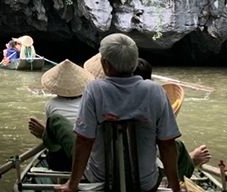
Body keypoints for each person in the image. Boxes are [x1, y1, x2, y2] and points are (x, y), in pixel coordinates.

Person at [54, 34, 182, 192]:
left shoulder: (95, 90)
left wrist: (71, 185)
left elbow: (84, 141)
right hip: (146, 183)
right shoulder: (155, 90)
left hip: (100, 177)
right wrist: (176, 188)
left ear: (105, 64)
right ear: (134, 63)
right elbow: (167, 144)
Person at [133, 58, 211, 178]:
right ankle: (190, 162)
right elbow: (167, 145)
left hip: (108, 172)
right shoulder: (153, 102)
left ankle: (189, 160)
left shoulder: (105, 100)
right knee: (176, 145)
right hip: (145, 177)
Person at [28, 60, 94, 171]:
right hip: (90, 153)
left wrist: (45, 134)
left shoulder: (51, 104)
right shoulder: (90, 101)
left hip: (66, 159)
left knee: (54, 137)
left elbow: (56, 136)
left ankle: (61, 180)